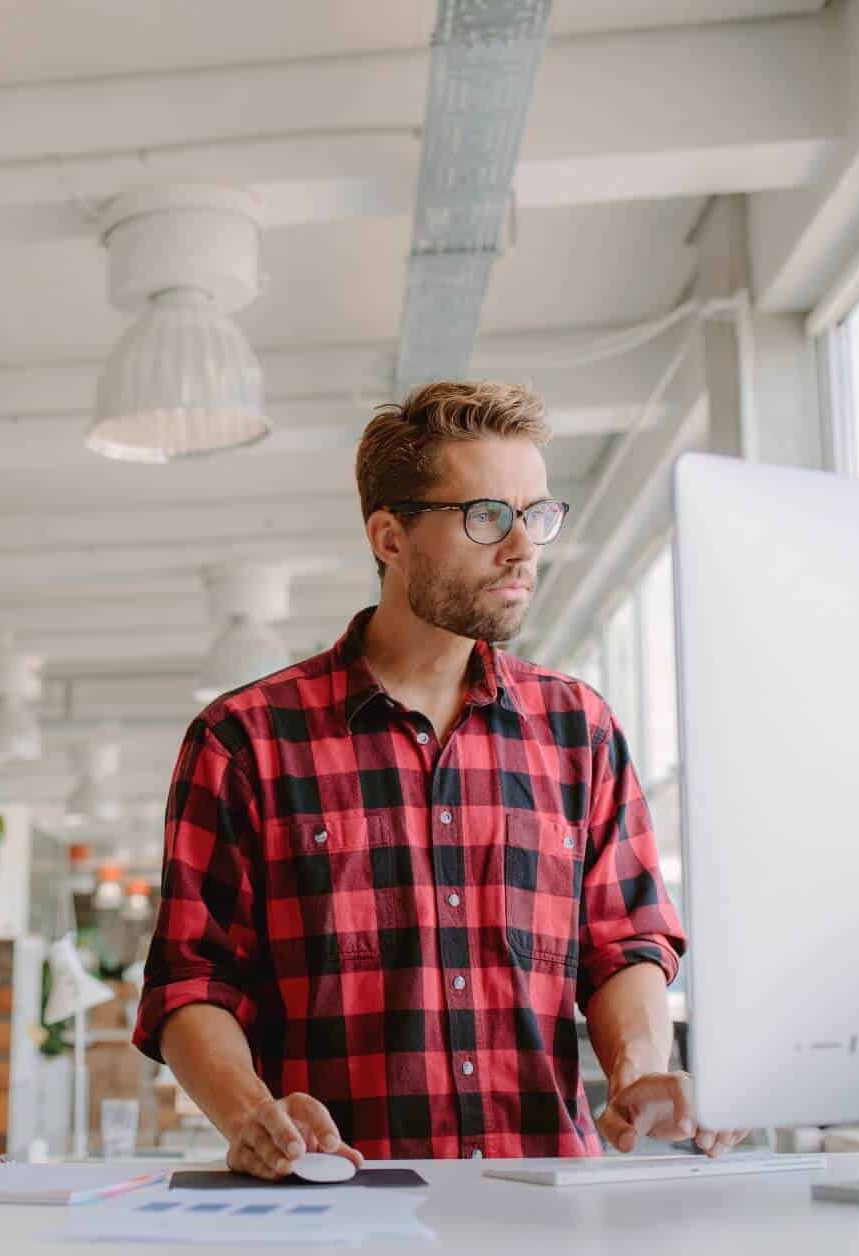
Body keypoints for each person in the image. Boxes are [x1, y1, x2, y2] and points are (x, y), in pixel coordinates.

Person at [133, 380, 747, 1177]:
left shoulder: (578, 730)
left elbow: (624, 941)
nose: (523, 548)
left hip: (544, 1208)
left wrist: (637, 1074)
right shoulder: (245, 739)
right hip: (336, 1207)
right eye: (487, 516)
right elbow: (194, 979)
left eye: (536, 516)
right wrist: (254, 1116)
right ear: (390, 537)